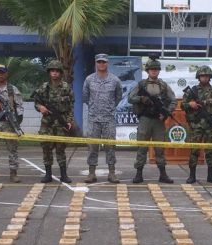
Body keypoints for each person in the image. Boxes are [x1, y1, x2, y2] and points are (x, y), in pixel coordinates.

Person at [128, 57, 176, 184]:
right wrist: (142, 99)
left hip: (158, 121)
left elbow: (173, 101)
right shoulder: (141, 85)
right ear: (147, 71)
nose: (154, 71)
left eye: (156, 69)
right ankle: (139, 174)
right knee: (142, 147)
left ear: (159, 71)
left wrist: (166, 114)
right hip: (145, 119)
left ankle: (163, 174)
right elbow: (130, 98)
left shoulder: (164, 86)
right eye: (151, 69)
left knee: (160, 148)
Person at [83, 54, 123, 184]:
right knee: (92, 146)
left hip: (109, 119)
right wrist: (95, 108)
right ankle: (91, 173)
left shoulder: (115, 80)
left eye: (104, 62)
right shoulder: (89, 80)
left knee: (110, 146)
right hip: (94, 118)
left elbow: (118, 97)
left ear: (107, 63)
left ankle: (112, 173)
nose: (101, 64)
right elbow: (85, 97)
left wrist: (109, 108)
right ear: (96, 63)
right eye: (99, 62)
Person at [181, 65, 212, 184]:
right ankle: (192, 175)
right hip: (196, 125)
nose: (204, 78)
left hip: (211, 125)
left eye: (206, 76)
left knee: (210, 150)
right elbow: (182, 105)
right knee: (194, 150)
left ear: (210, 77)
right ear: (198, 77)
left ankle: (211, 175)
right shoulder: (192, 91)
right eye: (202, 76)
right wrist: (190, 104)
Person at [34, 60, 74, 183]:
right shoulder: (43, 87)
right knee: (46, 148)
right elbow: (36, 103)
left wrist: (69, 121)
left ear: (60, 73)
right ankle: (48, 174)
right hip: (47, 124)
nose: (55, 73)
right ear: (49, 72)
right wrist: (40, 108)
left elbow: (71, 106)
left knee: (61, 149)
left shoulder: (66, 88)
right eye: (52, 71)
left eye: (57, 71)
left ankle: (63, 174)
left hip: (61, 121)